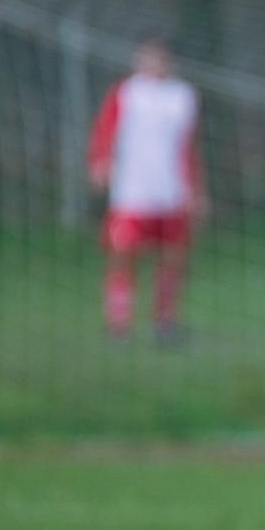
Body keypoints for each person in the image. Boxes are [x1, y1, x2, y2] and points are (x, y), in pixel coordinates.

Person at [87, 36, 206, 344]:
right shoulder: (126, 93)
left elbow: (189, 147)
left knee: (173, 258)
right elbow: (105, 130)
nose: (154, 63)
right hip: (132, 192)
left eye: (160, 57)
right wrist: (100, 161)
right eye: (148, 57)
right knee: (123, 254)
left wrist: (196, 189)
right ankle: (119, 323)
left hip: (172, 193)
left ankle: (164, 322)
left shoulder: (183, 96)